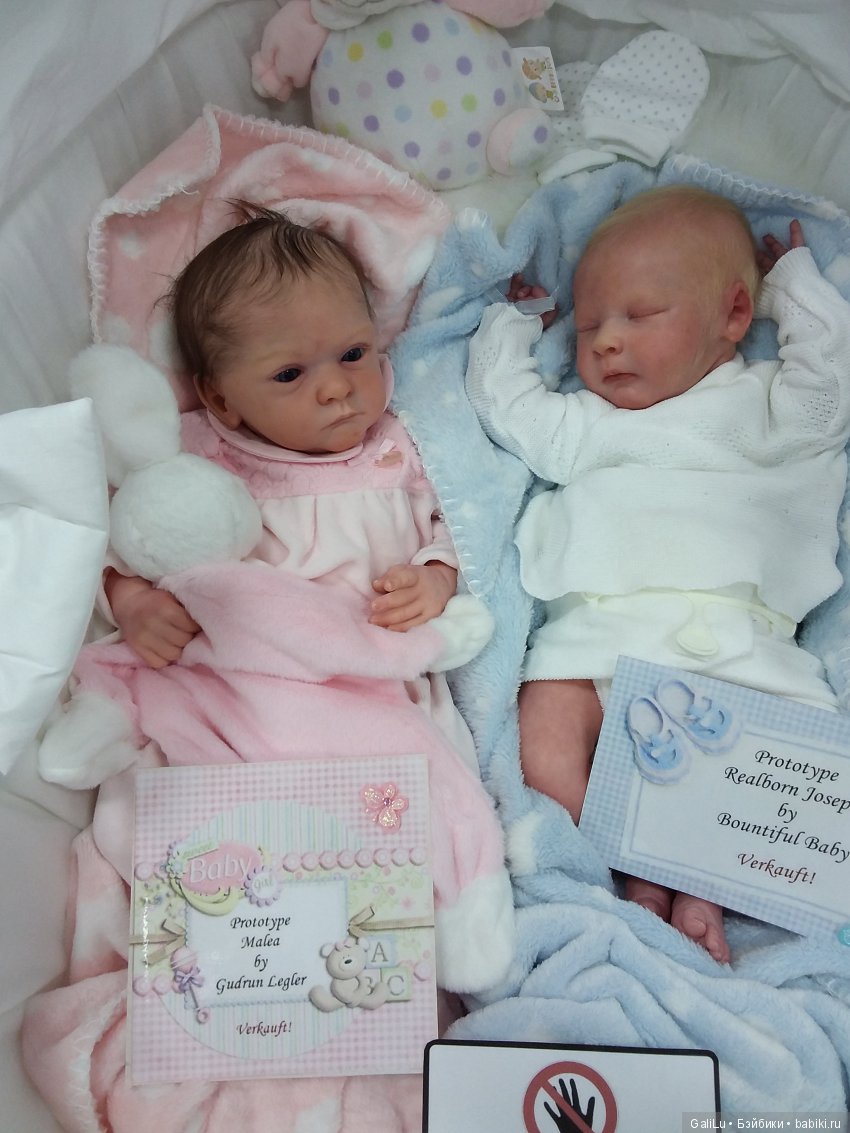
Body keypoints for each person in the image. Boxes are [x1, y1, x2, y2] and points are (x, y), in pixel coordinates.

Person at [465, 184, 850, 963]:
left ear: (734, 315)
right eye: (589, 326)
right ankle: (628, 868)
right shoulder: (589, 428)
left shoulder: (770, 412)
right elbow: (510, 410)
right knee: (545, 724)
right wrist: (512, 325)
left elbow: (831, 384)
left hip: (740, 650)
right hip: (598, 648)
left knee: (777, 770)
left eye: (639, 315)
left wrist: (796, 288)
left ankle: (697, 887)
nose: (606, 341)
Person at [103, 202, 487, 772]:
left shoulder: (405, 444)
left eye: (353, 354)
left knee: (432, 777)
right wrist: (130, 599)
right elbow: (127, 531)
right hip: (240, 684)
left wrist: (436, 576)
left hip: (375, 682)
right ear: (221, 399)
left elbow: (465, 522)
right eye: (289, 374)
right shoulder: (199, 457)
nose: (336, 388)